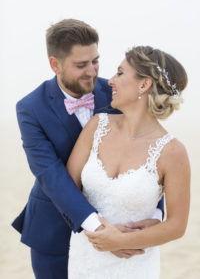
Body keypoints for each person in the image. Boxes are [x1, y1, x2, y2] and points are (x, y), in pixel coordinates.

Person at [11, 20, 163, 279]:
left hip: (122, 224)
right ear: (55, 65)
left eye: (95, 61)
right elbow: (50, 174)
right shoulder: (29, 108)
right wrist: (98, 229)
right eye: (81, 65)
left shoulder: (118, 91)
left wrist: (155, 213)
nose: (92, 72)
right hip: (53, 230)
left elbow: (147, 148)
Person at [67, 46, 190, 278]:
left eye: (120, 73)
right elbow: (67, 188)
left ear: (144, 85)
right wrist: (97, 230)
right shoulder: (96, 126)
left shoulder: (173, 152)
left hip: (133, 266)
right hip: (85, 259)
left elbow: (176, 225)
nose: (110, 81)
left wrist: (122, 241)